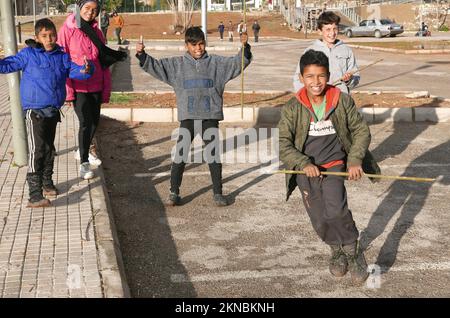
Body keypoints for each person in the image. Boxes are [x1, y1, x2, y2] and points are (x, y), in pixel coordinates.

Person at [278, 50, 380, 284]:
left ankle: (353, 250)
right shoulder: (293, 107)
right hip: (306, 170)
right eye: (310, 76)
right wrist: (303, 163)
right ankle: (336, 250)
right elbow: (283, 144)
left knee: (335, 210)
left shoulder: (341, 100)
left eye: (321, 76)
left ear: (328, 75)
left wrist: (354, 160)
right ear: (302, 77)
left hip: (334, 165)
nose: (316, 82)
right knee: (319, 217)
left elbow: (360, 131)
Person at [135, 27, 252, 207]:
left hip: (209, 117)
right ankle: (174, 192)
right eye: (194, 44)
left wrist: (245, 47)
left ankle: (218, 193)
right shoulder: (177, 65)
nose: (198, 48)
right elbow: (157, 67)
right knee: (180, 155)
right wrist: (142, 55)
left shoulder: (217, 64)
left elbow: (237, 63)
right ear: (186, 45)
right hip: (188, 118)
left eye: (201, 44)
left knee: (213, 156)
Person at [0, 18, 93, 207]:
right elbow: (7, 65)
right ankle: (34, 194)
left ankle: (47, 182)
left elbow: (76, 71)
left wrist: (86, 69)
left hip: (53, 110)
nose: (49, 39)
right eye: (44, 36)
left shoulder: (61, 56)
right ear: (37, 37)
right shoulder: (28, 54)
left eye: (52, 35)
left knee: (50, 149)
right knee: (37, 149)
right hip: (34, 110)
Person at [58, 0, 113, 180]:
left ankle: (82, 150)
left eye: (94, 10)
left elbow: (103, 62)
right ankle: (83, 163)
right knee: (85, 122)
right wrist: (68, 91)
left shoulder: (97, 31)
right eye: (87, 8)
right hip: (78, 85)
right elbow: (62, 62)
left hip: (96, 85)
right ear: (79, 8)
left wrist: (106, 88)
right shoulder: (67, 30)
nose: (90, 13)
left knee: (95, 122)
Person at [293, 11, 359, 94]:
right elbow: (298, 77)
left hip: (340, 98)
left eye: (335, 29)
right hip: (317, 100)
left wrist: (349, 80)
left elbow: (356, 76)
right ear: (320, 31)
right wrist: (304, 96)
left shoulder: (346, 50)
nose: (332, 33)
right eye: (328, 29)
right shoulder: (310, 51)